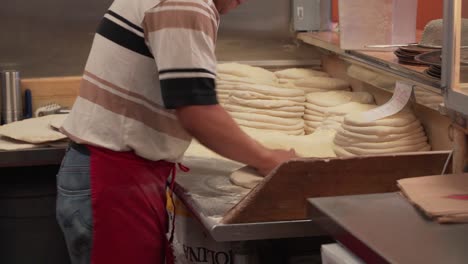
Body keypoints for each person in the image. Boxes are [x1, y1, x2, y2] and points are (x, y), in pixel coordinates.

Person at [56, 0, 296, 263]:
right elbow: (198, 113)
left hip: (112, 173)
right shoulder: (185, 5)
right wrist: (269, 159)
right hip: (113, 181)